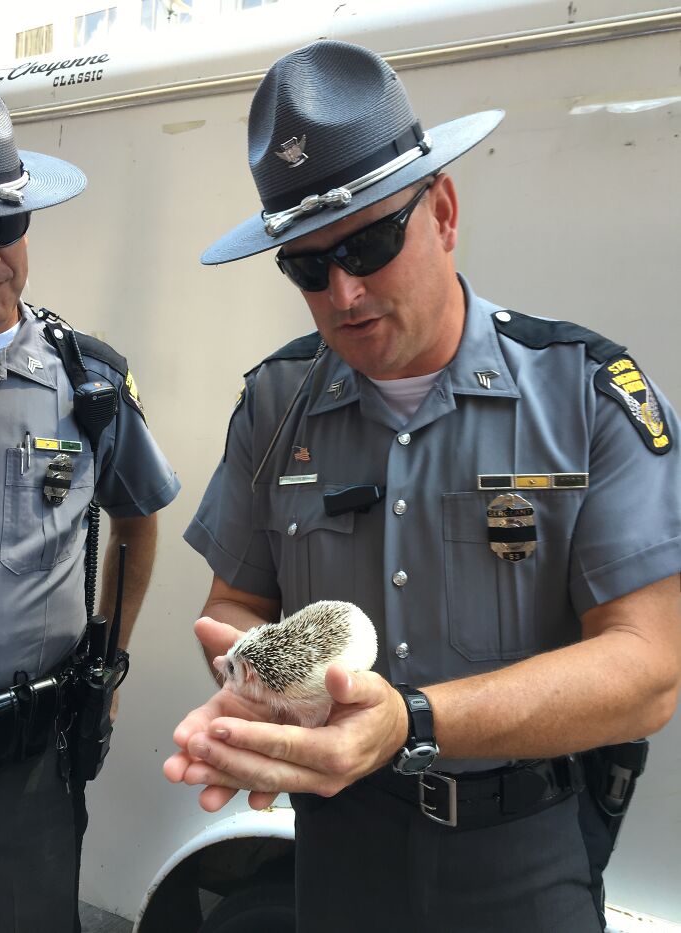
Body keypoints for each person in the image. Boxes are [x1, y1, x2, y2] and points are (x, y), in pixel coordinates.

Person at [164, 40, 681, 932]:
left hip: (521, 852)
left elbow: (647, 669)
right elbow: (237, 603)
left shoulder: (585, 392)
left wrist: (411, 719)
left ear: (441, 210)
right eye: (306, 266)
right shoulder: (274, 404)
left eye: (370, 240)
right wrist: (258, 688)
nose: (345, 289)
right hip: (338, 842)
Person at [0, 81, 180, 933]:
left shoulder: (87, 381)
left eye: (4, 226)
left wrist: (111, 656)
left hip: (24, 763)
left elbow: (136, 525)